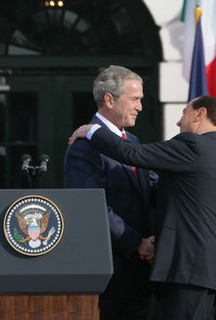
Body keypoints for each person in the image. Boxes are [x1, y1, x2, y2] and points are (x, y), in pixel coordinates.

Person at [69, 95, 216, 320]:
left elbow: (133, 154)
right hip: (211, 275)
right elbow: (185, 204)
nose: (179, 122)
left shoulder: (194, 145)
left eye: (184, 113)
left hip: (187, 273)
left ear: (200, 114)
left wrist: (92, 131)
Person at [64, 65, 156, 320]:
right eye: (135, 99)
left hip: (138, 275)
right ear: (109, 99)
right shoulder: (84, 146)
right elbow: (89, 208)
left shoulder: (133, 143)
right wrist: (136, 242)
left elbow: (151, 188)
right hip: (107, 277)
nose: (140, 107)